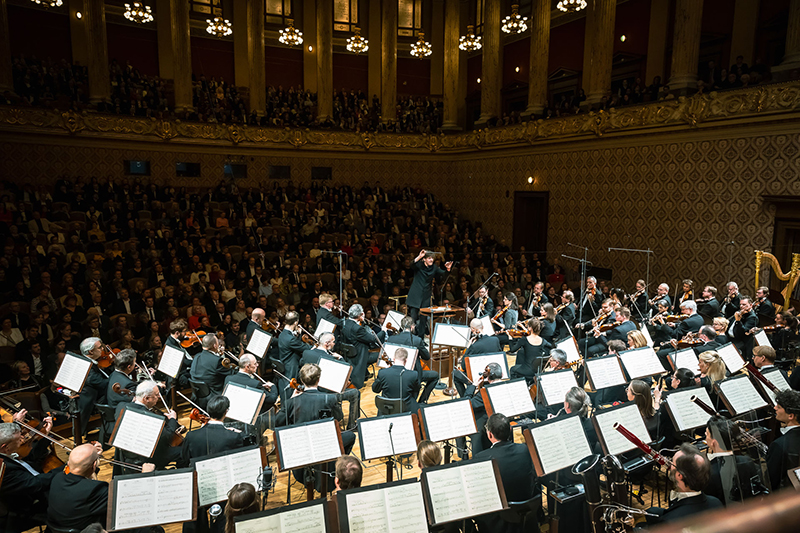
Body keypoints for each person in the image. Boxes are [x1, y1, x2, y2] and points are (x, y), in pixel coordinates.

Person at [47, 443, 155, 531]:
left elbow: (83, 479)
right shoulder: (95, 490)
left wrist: (93, 456)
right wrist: (145, 476)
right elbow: (129, 499)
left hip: (59, 528)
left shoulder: (57, 479)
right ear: (94, 465)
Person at [284, 363, 356, 492]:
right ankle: (336, 466)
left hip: (302, 444)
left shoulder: (291, 402)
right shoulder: (329, 398)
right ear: (319, 379)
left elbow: (279, 423)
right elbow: (338, 417)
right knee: (350, 436)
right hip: (325, 443)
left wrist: (291, 399)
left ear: (301, 380)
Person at [474, 414, 538, 533]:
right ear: (510, 430)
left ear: (489, 434)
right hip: (528, 510)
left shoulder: (482, 458)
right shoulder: (524, 449)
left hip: (500, 521)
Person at [0, 413, 58, 532]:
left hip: (35, 489)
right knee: (66, 509)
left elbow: (31, 458)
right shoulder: (4, 468)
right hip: (25, 509)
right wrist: (68, 467)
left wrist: (44, 434)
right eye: (19, 439)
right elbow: (36, 483)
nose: (23, 440)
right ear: (5, 447)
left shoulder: (7, 454)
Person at [646, 443, 723, 524]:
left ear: (679, 475)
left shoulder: (670, 521)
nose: (668, 464)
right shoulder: (716, 503)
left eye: (672, 463)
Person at [114, 381, 181, 471]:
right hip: (147, 458)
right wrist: (173, 419)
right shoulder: (149, 417)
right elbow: (167, 436)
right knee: (182, 451)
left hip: (127, 456)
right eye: (156, 395)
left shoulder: (121, 407)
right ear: (146, 398)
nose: (159, 397)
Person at [704, 415, 761, 504]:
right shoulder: (747, 461)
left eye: (707, 434)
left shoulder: (708, 471)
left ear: (713, 442)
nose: (705, 436)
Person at [387, 316, 439, 404]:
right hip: (413, 373)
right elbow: (426, 357)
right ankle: (422, 401)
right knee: (435, 375)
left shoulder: (391, 338)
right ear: (412, 327)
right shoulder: (417, 340)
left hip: (395, 372)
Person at [406, 250, 452, 336]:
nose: (431, 260)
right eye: (429, 258)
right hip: (415, 295)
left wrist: (448, 269)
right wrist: (419, 256)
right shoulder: (419, 265)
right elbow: (411, 265)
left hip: (425, 296)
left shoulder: (434, 267)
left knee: (423, 319)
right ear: (424, 259)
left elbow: (443, 274)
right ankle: (411, 338)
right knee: (413, 318)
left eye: (432, 258)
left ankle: (421, 339)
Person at [454, 318, 501, 396]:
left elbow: (463, 366)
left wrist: (468, 347)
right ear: (483, 327)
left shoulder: (474, 346)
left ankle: (465, 397)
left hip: (479, 376)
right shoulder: (495, 340)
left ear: (473, 329)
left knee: (455, 374)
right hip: (493, 373)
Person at [341, 303, 382, 388]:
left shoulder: (345, 323)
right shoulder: (357, 328)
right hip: (361, 356)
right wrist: (384, 331)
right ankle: (381, 381)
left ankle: (366, 374)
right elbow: (372, 339)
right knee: (382, 355)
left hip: (350, 354)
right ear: (361, 314)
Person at [766, 389, 800, 490]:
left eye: (779, 407)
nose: (775, 408)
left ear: (791, 416)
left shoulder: (779, 445)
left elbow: (770, 480)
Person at [77, 337, 110, 437]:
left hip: (91, 396)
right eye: (99, 348)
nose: (103, 349)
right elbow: (99, 382)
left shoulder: (87, 361)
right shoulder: (87, 366)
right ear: (91, 351)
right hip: (87, 399)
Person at [372, 347, 420, 413]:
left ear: (394, 359)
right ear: (406, 360)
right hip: (406, 407)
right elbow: (416, 390)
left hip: (386, 407)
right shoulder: (413, 374)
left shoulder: (382, 373)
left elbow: (375, 390)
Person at [190, 334, 233, 398]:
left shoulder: (197, 356)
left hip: (197, 396)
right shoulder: (217, 361)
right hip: (213, 395)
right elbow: (230, 373)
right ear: (215, 346)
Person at [509, 318, 550, 384]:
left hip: (527, 370)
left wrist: (510, 338)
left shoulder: (525, 339)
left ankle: (516, 386)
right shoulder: (543, 340)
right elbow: (552, 347)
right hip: (538, 371)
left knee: (512, 369)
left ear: (530, 328)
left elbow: (512, 350)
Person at [730, 295, 759, 360]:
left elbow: (743, 333)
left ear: (751, 305)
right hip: (730, 338)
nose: (741, 306)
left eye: (744, 304)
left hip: (739, 342)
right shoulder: (741, 312)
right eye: (740, 304)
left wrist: (738, 321)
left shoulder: (752, 317)